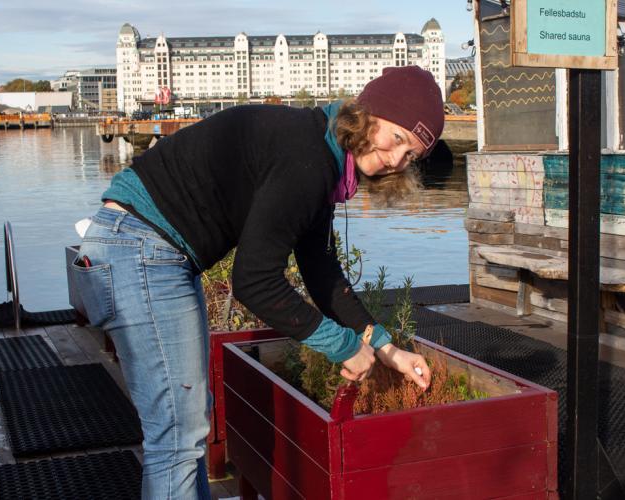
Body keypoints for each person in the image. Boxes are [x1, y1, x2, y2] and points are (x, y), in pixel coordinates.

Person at [72, 66, 443, 499]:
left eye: (412, 155)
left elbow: (321, 271)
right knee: (176, 436)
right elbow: (255, 281)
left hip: (150, 252)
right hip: (141, 250)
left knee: (188, 424)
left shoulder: (321, 151)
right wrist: (342, 346)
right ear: (367, 114)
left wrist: (383, 346)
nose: (397, 160)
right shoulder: (307, 160)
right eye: (397, 139)